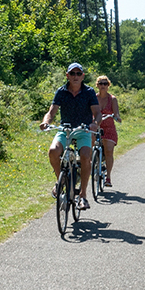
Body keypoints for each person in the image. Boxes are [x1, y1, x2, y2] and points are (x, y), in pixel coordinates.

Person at [40, 62, 101, 210]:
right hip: (65, 129)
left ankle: (83, 196)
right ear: (67, 75)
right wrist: (46, 122)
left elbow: (98, 113)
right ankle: (61, 182)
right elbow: (52, 112)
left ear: (82, 76)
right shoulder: (61, 92)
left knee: (86, 155)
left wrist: (95, 124)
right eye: (72, 74)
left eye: (78, 74)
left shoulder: (89, 92)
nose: (75, 76)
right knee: (53, 151)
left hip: (83, 130)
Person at [94, 75, 122, 186]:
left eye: (105, 83)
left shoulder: (112, 99)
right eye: (101, 83)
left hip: (109, 128)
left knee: (109, 150)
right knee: (88, 147)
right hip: (95, 127)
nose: (103, 86)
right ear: (97, 85)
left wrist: (117, 117)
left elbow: (116, 113)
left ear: (108, 85)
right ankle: (93, 167)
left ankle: (108, 177)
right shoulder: (94, 98)